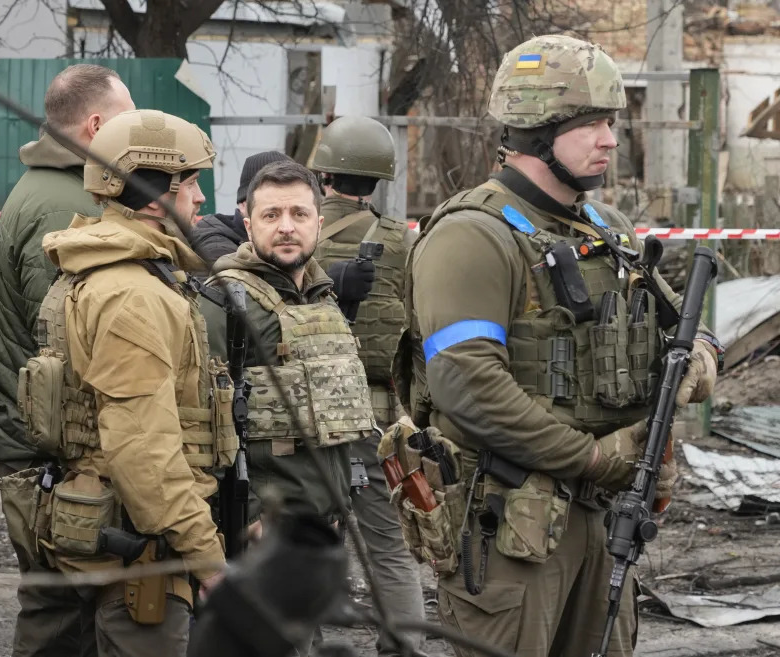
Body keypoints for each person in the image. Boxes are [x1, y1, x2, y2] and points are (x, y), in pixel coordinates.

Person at [393, 35, 722, 657]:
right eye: (594, 124)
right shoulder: (473, 236)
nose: (610, 139)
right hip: (512, 524)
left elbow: (681, 329)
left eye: (611, 123)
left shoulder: (608, 230)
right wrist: (595, 460)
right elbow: (468, 388)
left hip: (604, 517)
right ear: (539, 130)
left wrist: (697, 362)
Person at [24, 109, 226, 656]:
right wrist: (205, 555)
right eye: (191, 183)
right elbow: (142, 449)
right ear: (154, 194)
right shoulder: (133, 294)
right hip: (140, 542)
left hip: (115, 523)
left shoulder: (108, 271)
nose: (201, 199)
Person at [0, 63, 134, 657]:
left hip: (42, 444)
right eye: (127, 123)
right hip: (51, 451)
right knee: (60, 617)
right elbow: (74, 338)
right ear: (95, 126)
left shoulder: (59, 187)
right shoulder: (65, 204)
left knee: (59, 607)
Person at [199, 159, 374, 568]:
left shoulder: (322, 297)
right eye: (271, 215)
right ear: (248, 225)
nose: (286, 227)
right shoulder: (222, 303)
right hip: (259, 541)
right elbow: (196, 435)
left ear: (318, 221)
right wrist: (253, 518)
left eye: (299, 213)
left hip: (321, 530)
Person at [310, 115, 428, 657]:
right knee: (390, 546)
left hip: (303, 412)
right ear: (380, 179)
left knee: (299, 540)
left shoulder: (292, 233)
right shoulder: (404, 243)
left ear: (322, 172)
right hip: (381, 414)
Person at [189, 150, 292, 264]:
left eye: (296, 211)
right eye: (271, 213)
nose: (286, 226)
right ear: (243, 204)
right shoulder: (217, 248)